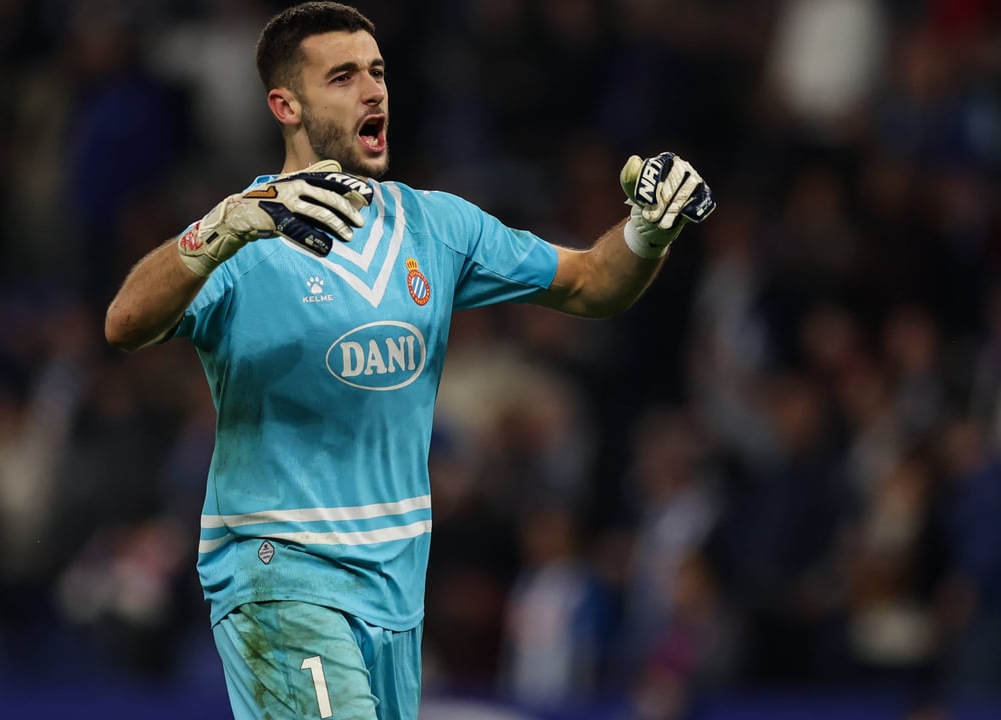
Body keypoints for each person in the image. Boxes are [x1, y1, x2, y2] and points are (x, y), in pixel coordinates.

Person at [103, 3, 714, 718]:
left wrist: (647, 231)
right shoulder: (245, 237)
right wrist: (220, 227)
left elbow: (590, 283)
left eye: (378, 71)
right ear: (286, 105)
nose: (373, 91)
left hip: (394, 590)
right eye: (343, 77)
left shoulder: (436, 225)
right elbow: (125, 323)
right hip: (280, 578)